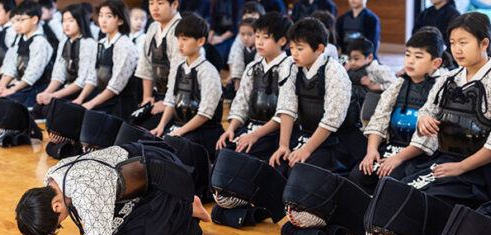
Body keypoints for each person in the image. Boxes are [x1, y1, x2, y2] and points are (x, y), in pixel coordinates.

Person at [10, 142, 211, 235]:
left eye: (56, 223)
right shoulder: (53, 179)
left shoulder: (83, 191)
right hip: (131, 176)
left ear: (56, 205)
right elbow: (41, 214)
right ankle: (182, 212)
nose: (58, 225)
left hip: (160, 178)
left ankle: (186, 210)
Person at [406, 11, 491, 208]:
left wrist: (461, 167)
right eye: (453, 42)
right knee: (400, 190)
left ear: (484, 43)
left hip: (478, 170)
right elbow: (427, 109)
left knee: (428, 202)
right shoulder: (448, 78)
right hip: (444, 157)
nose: (456, 49)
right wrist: (423, 118)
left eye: (463, 42)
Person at [349, 30, 443, 194]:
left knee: (390, 184)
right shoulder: (398, 84)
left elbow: (429, 139)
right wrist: (371, 152)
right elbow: (379, 119)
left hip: (418, 158)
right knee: (357, 176)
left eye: (418, 57)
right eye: (408, 55)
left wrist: (398, 158)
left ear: (435, 63)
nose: (410, 61)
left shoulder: (441, 88)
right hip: (390, 149)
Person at [269, 17, 360, 176]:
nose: (294, 53)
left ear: (319, 49)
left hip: (337, 140)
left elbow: (333, 118)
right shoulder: (290, 65)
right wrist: (283, 145)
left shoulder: (335, 71)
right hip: (306, 133)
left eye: (300, 48)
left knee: (301, 170)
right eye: (292, 47)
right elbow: (286, 106)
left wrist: (306, 150)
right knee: (278, 167)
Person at [217, 11, 294, 162]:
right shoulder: (253, 67)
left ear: (282, 41)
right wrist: (231, 129)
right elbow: (242, 102)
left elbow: (286, 112)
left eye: (266, 38)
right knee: (224, 151)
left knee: (245, 158)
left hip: (275, 133)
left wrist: (255, 135)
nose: (259, 42)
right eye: (257, 36)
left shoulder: (290, 67)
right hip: (251, 126)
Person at [150, 14, 225, 160]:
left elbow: (205, 114)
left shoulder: (208, 71)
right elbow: (171, 100)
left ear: (201, 41)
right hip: (180, 126)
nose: (180, 44)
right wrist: (161, 126)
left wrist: (179, 132)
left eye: (185, 39)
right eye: (178, 38)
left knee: (168, 151)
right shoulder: (179, 67)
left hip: (203, 132)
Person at [72, 0, 139, 117]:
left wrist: (90, 104)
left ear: (120, 20)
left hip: (120, 104)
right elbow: (92, 78)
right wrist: (80, 99)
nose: (103, 20)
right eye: (101, 15)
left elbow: (115, 87)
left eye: (108, 16)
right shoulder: (101, 43)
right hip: (103, 99)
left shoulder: (125, 45)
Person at [0, 0, 55, 107]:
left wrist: (12, 90)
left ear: (34, 19)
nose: (18, 24)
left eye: (22, 20)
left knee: (4, 103)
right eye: (17, 20)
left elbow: (32, 75)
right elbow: (11, 65)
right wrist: (3, 85)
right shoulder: (20, 38)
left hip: (35, 89)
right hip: (21, 85)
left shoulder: (40, 43)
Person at [135, 0, 182, 129]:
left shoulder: (181, 30)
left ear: (175, 4)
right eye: (151, 3)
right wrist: (147, 98)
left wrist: (167, 103)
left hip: (178, 100)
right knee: (131, 124)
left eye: (160, 3)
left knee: (141, 133)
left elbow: (178, 73)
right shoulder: (153, 27)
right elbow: (146, 64)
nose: (155, 8)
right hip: (158, 96)